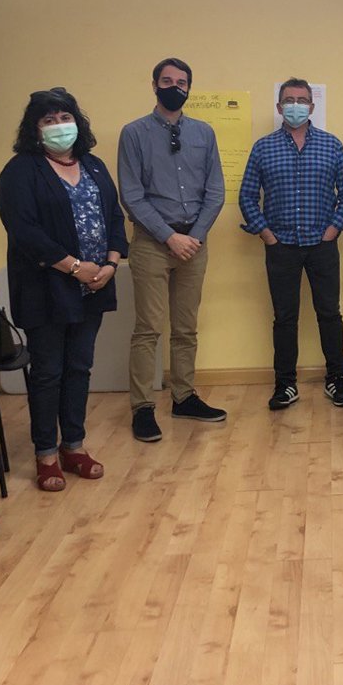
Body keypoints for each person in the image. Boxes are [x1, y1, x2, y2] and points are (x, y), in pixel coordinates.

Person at [0, 88, 128, 490]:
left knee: (79, 368)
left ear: (77, 122)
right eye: (49, 120)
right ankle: (46, 454)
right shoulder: (20, 171)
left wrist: (110, 264)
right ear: (35, 128)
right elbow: (24, 231)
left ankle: (74, 446)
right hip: (46, 288)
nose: (59, 126)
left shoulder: (94, 165)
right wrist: (74, 267)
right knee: (48, 372)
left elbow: (114, 217)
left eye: (64, 118)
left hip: (94, 286)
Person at [118, 57, 227, 442]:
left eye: (181, 82)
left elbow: (216, 191)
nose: (174, 87)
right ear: (154, 85)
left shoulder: (204, 133)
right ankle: (142, 408)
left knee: (186, 327)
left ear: (188, 88)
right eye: (167, 81)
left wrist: (193, 235)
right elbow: (131, 194)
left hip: (194, 243)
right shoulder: (134, 133)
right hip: (152, 242)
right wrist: (169, 237)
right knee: (148, 328)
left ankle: (184, 397)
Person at [239, 77, 343, 410]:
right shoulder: (263, 147)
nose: (296, 106)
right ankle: (285, 384)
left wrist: (333, 229)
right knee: (285, 318)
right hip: (281, 246)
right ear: (279, 107)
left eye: (302, 100)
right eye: (289, 100)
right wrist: (266, 234)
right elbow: (247, 196)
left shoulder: (331, 145)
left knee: (329, 313)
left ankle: (337, 379)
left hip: (322, 244)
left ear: (312, 106)